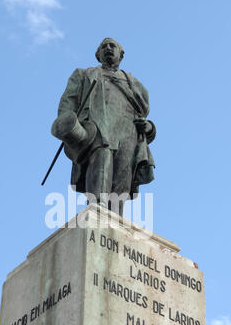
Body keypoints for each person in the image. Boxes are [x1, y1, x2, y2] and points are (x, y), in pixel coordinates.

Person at [51, 38, 156, 215]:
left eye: (112, 46)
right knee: (100, 171)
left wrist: (149, 128)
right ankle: (97, 212)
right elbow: (67, 104)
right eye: (103, 46)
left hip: (127, 132)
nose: (108, 48)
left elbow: (143, 115)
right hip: (98, 128)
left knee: (122, 179)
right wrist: (68, 126)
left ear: (121, 54)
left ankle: (115, 221)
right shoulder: (83, 74)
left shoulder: (133, 83)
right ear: (97, 55)